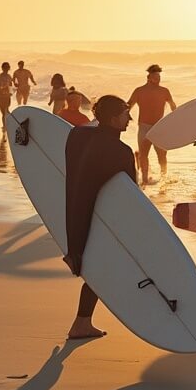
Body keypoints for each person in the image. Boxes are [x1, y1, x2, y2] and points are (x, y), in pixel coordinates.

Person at [62, 95, 137, 340]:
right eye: (126, 113)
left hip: (75, 217)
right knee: (103, 270)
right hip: (104, 222)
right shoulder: (121, 151)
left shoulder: (79, 137)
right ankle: (81, 324)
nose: (130, 118)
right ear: (115, 118)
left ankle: (82, 322)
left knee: (99, 270)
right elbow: (130, 199)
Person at [128, 64, 176, 185]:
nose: (158, 79)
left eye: (159, 76)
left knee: (162, 154)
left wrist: (176, 121)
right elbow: (128, 106)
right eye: (155, 76)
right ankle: (144, 179)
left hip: (159, 127)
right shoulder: (139, 91)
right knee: (143, 154)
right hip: (144, 126)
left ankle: (164, 177)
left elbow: (173, 107)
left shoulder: (164, 91)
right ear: (149, 77)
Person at [0, 62, 13, 128]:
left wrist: (11, 92)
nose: (6, 69)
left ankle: (6, 125)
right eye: (5, 68)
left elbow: (11, 85)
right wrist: (4, 88)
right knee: (3, 113)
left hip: (7, 96)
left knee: (7, 111)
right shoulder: (0, 77)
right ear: (2, 68)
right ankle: (4, 125)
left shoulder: (9, 76)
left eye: (7, 68)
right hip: (0, 97)